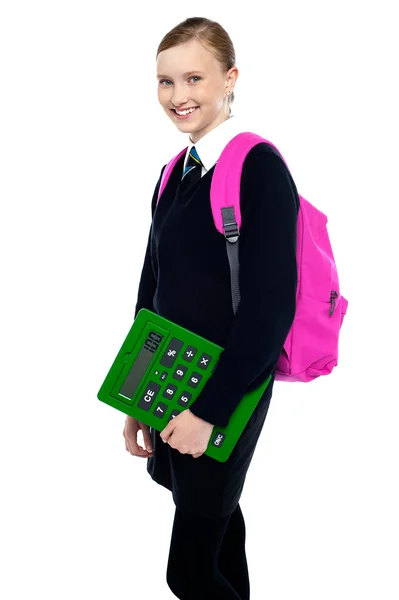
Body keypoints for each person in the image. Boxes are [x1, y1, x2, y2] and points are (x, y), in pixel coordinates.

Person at [123, 16, 299, 599]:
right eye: (165, 82)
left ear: (230, 79)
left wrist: (211, 412)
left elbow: (271, 307)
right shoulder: (175, 172)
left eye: (194, 78)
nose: (178, 96)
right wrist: (136, 392)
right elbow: (153, 289)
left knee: (189, 573)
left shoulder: (258, 167)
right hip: (174, 378)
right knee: (221, 532)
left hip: (227, 385)